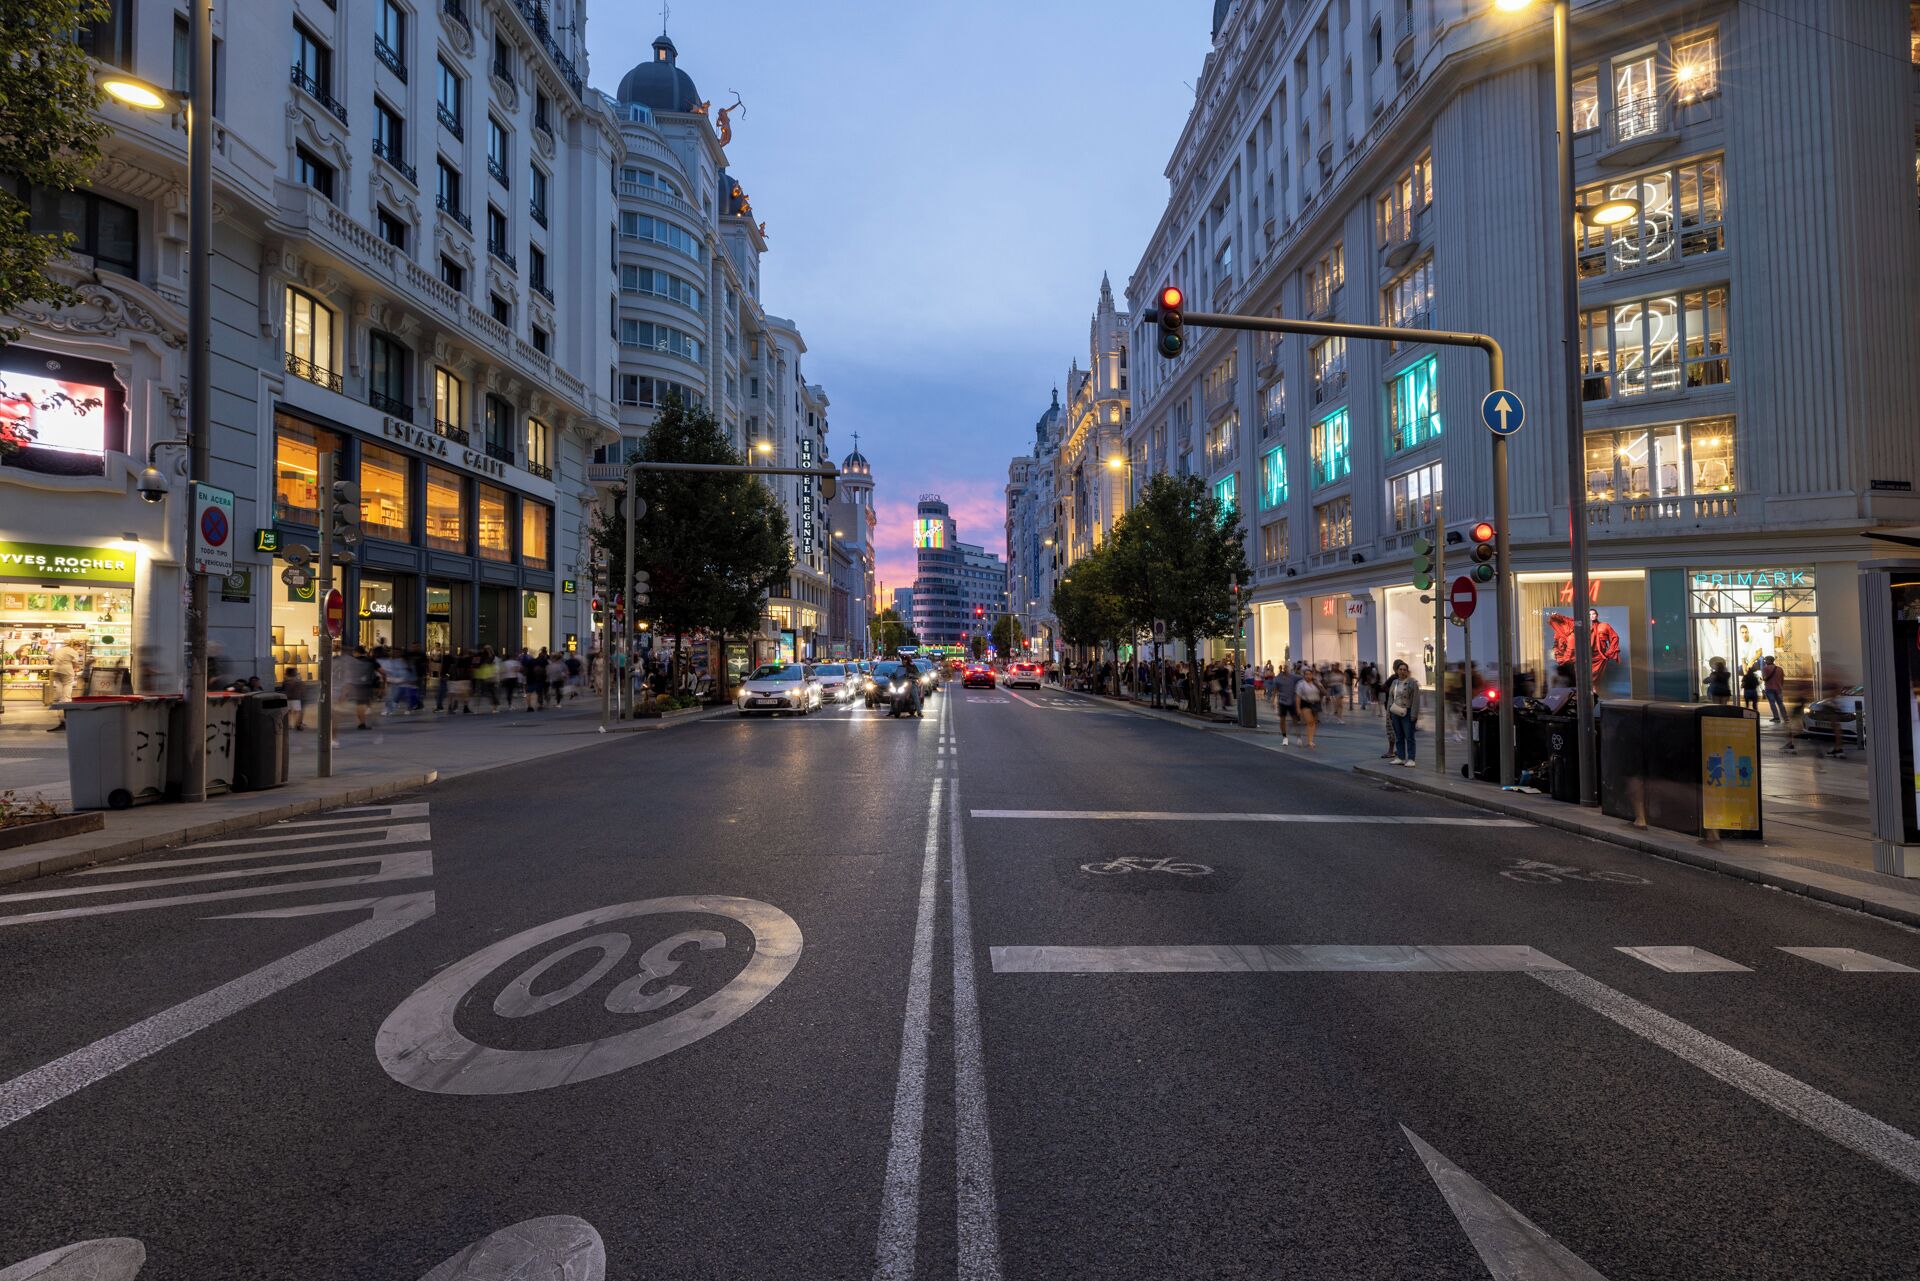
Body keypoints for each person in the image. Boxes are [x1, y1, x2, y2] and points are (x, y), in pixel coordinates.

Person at [1385, 659, 1421, 766]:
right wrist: (1389, 712)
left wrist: (1414, 714)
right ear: (1397, 671)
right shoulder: (1394, 682)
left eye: (1404, 670)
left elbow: (1416, 700)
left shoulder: (1412, 683)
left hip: (1408, 712)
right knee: (1399, 736)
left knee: (1409, 736)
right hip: (1395, 711)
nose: (1402, 671)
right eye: (1400, 669)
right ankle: (1400, 757)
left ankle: (1411, 759)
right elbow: (1391, 698)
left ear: (1407, 671)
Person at [1270, 663, 1298, 746]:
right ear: (1282, 669)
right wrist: (1273, 701)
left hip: (1292, 701)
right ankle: (1285, 737)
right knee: (1282, 719)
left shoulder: (1293, 677)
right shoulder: (1278, 678)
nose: (1286, 669)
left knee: (1294, 719)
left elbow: (1302, 679)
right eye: (1284, 667)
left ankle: (1297, 736)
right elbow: (1275, 690)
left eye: (1287, 667)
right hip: (1282, 701)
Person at [1295, 662, 1322, 748]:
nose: (1308, 676)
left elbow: (1322, 691)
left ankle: (1310, 739)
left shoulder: (1315, 683)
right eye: (1306, 674)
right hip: (1305, 703)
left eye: (1309, 674)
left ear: (1312, 675)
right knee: (1309, 721)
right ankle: (1309, 740)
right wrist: (1298, 708)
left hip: (1315, 703)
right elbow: (1298, 697)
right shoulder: (1300, 684)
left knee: (1313, 723)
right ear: (1304, 675)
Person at [278, 666, 307, 730]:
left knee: (288, 712)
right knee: (298, 712)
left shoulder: (285, 681)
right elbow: (302, 689)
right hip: (296, 698)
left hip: (288, 698)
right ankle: (298, 724)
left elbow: (283, 689)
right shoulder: (298, 680)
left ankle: (289, 725)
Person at [1761, 656, 1786, 724]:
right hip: (1778, 688)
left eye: (1765, 660)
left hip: (1769, 688)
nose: (1765, 661)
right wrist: (1780, 687)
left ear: (1768, 661)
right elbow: (1782, 679)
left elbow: (1764, 678)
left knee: (1772, 703)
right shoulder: (1780, 669)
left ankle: (1776, 717)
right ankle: (1785, 717)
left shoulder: (1765, 668)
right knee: (1780, 703)